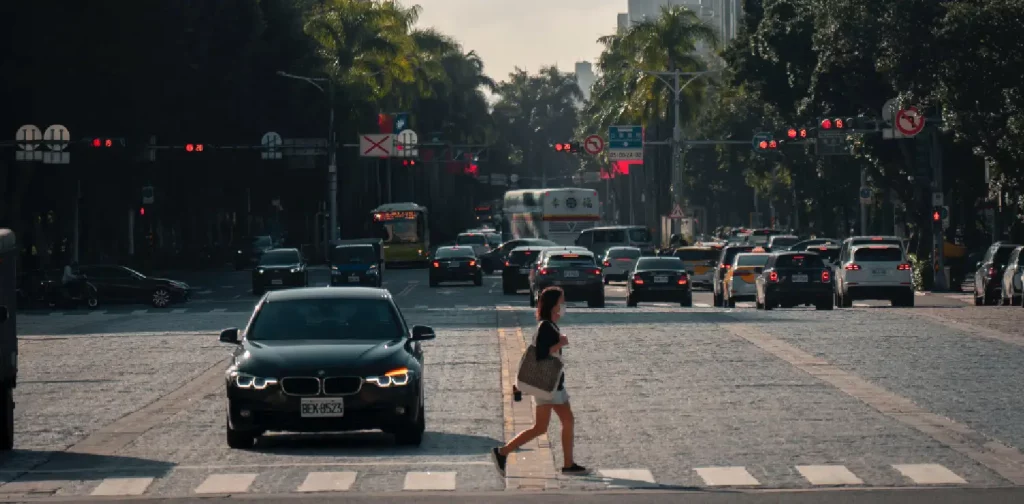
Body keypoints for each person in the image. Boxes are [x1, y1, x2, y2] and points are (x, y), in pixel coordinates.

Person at [491, 286, 587, 476]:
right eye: (561, 301)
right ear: (554, 304)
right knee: (552, 425)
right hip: (548, 386)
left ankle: (568, 463)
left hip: (552, 385)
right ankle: (503, 452)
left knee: (551, 425)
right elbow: (542, 354)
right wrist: (561, 343)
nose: (564, 304)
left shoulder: (549, 324)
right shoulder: (545, 326)